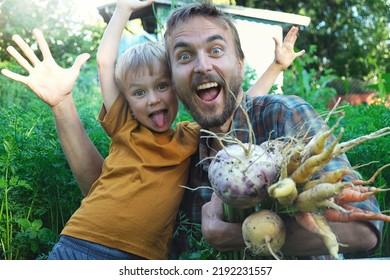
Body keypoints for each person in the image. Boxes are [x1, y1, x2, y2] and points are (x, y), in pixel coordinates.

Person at [1, 0, 302, 259]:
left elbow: (237, 102)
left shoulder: (188, 135)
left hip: (144, 258)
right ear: (127, 101)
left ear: (176, 88)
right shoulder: (124, 126)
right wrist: (122, 10)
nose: (154, 98)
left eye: (161, 87)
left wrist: (276, 67)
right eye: (139, 93)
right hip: (83, 243)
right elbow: (106, 63)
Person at [162, 2, 382, 258]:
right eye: (184, 56)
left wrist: (234, 237)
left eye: (216, 50)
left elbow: (363, 229)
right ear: (173, 80)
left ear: (241, 63)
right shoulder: (184, 154)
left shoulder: (284, 115)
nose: (202, 66)